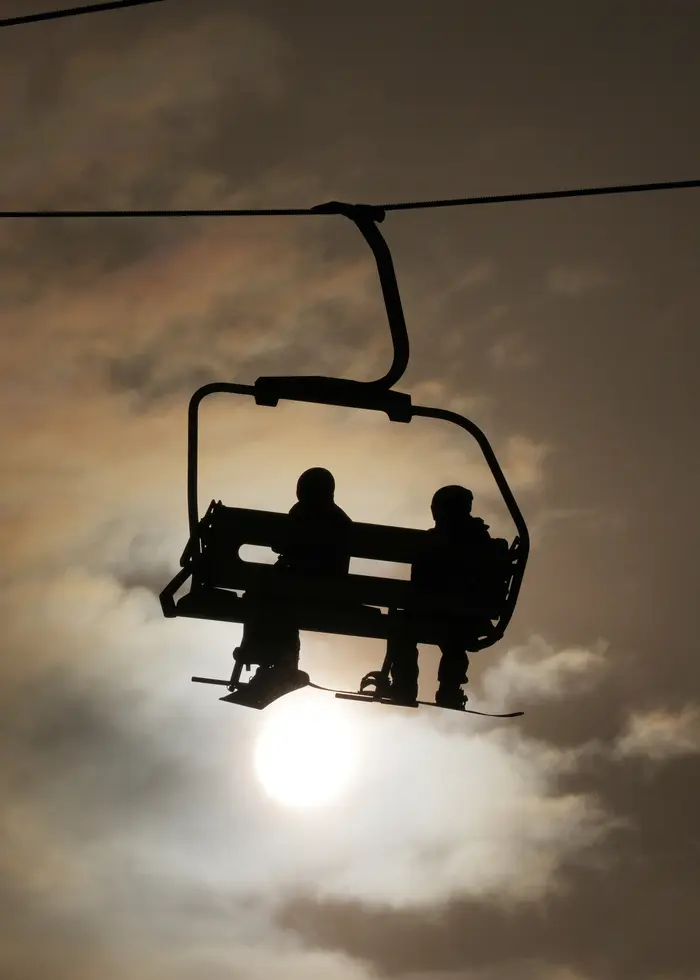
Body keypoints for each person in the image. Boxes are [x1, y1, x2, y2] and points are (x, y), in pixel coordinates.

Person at [230, 468, 352, 706]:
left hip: (302, 591)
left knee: (264, 593)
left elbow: (280, 544)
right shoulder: (340, 520)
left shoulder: (301, 514)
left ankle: (271, 658)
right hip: (326, 593)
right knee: (274, 594)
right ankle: (279, 660)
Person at [389, 485, 498, 710]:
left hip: (427, 614)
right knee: (455, 642)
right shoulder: (481, 542)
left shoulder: (429, 542)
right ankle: (449, 689)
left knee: (402, 632)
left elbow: (418, 582)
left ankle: (404, 686)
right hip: (467, 618)